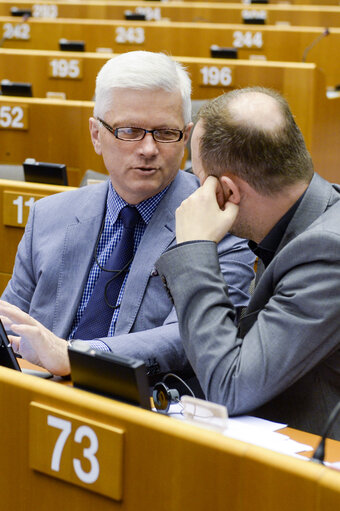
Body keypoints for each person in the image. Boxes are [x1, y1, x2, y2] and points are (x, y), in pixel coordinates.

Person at [0, 52, 255, 383]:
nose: (148, 149)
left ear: (186, 137)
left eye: (165, 133)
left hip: (143, 411)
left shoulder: (220, 225)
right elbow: (10, 324)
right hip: (41, 398)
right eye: (130, 131)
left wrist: (75, 356)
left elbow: (190, 337)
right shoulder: (49, 215)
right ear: (96, 135)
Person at [155, 86, 340, 438]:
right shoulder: (307, 219)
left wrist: (195, 247)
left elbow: (230, 387)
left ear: (227, 192)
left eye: (199, 179)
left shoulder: (327, 251)